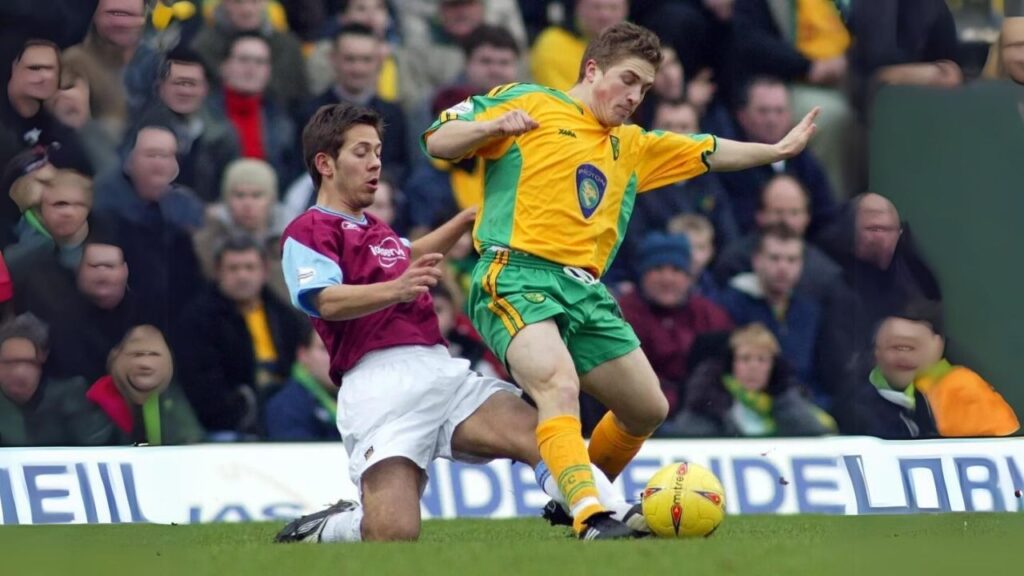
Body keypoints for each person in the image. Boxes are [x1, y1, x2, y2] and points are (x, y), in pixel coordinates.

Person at [422, 21, 818, 529]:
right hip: (516, 275)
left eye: (646, 89)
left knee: (647, 407)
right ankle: (592, 515)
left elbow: (710, 150)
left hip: (585, 291)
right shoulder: (529, 103)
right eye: (628, 80)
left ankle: (574, 495)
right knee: (559, 387)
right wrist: (490, 128)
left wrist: (776, 151)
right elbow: (438, 139)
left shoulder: (631, 146)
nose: (636, 96)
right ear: (593, 69)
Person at [275, 103, 640, 543]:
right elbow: (324, 301)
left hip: (439, 370)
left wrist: (468, 219)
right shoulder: (309, 230)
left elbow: (405, 256)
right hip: (379, 387)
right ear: (324, 164)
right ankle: (332, 527)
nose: (375, 163)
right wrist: (397, 289)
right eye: (361, 152)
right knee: (392, 532)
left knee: (538, 430)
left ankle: (607, 516)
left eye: (377, 151)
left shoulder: (373, 227)